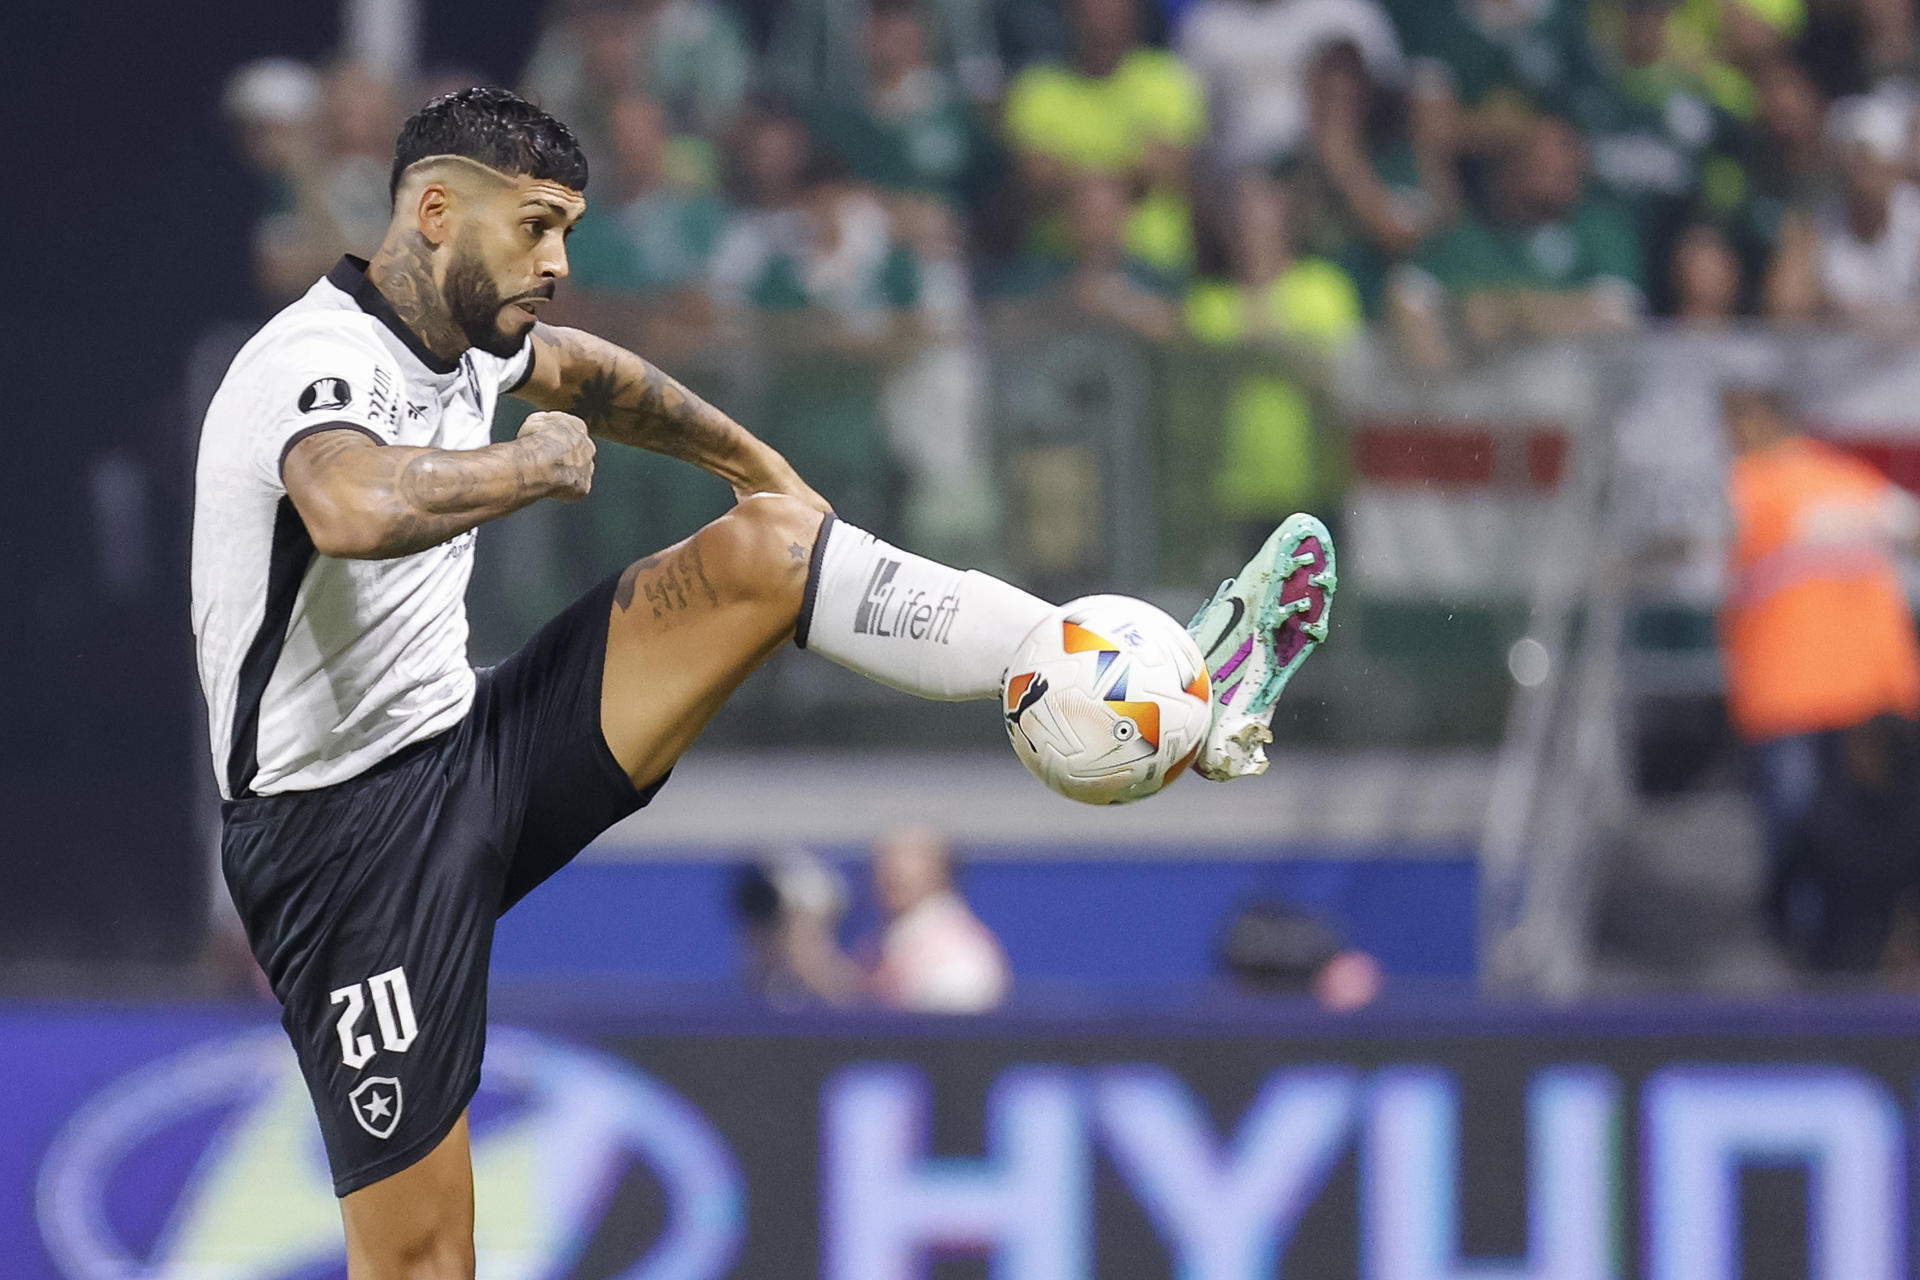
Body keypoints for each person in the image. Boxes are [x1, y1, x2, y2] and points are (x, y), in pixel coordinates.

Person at [190, 87, 1335, 1270]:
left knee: (769, 551)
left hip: (475, 745)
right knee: (425, 1258)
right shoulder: (311, 361)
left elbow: (585, 369)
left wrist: (755, 464)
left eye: (568, 228)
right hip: (337, 839)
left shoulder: (472, 334)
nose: (560, 258)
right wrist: (521, 469)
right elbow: (346, 503)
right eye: (537, 226)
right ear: (434, 209)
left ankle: (1141, 679)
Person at [1719, 385, 1920, 967]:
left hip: (1847, 693)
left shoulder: (1821, 482)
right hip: (1800, 690)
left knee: (1820, 826)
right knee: (1800, 827)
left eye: (1737, 418)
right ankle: (1807, 950)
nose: (1731, 435)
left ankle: (1826, 947)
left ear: (1769, 417)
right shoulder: (1754, 485)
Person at [867, 824, 1010, 1012]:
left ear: (943, 872)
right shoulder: (892, 941)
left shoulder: (961, 958)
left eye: (916, 856)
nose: (893, 871)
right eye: (887, 859)